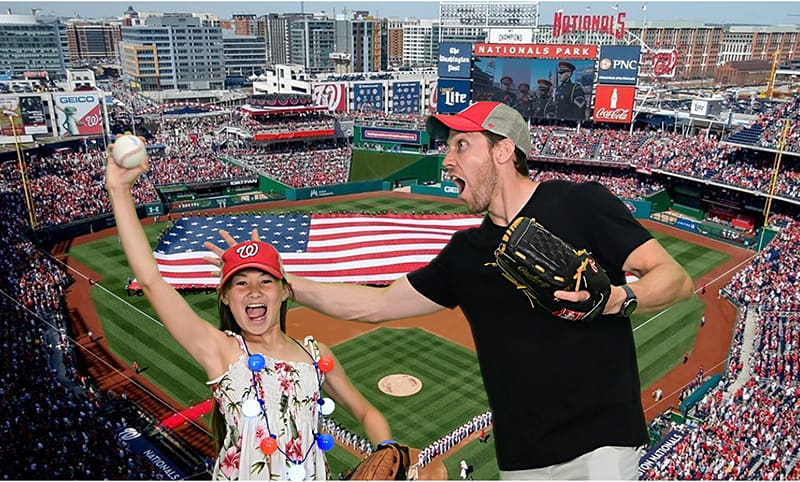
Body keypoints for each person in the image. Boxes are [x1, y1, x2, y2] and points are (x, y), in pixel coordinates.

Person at [208, 101, 693, 480]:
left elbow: (674, 278)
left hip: (598, 443)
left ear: (503, 151)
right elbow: (376, 304)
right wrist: (284, 283)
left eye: (461, 145)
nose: (447, 158)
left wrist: (616, 299)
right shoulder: (466, 252)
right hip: (521, 457)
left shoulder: (579, 203)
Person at [106, 147, 392, 481]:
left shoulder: (317, 356)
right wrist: (119, 189)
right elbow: (152, 280)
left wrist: (387, 448)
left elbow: (366, 411)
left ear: (285, 290)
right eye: (240, 283)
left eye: (265, 281)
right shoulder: (222, 351)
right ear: (225, 298)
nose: (254, 292)